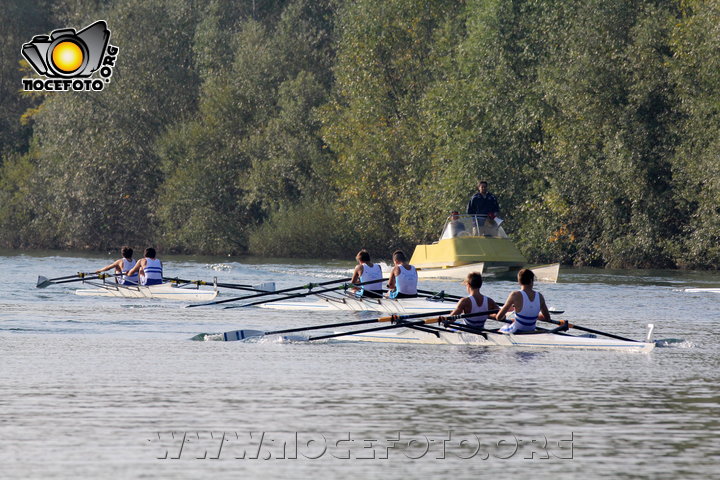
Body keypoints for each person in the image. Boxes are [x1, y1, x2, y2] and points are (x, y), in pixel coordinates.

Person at [496, 269, 551, 333]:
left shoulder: (515, 294)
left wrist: (506, 317)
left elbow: (499, 317)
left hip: (516, 330)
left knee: (499, 330)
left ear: (519, 282)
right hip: (531, 330)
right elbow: (547, 318)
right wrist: (535, 316)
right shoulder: (540, 296)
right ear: (531, 281)